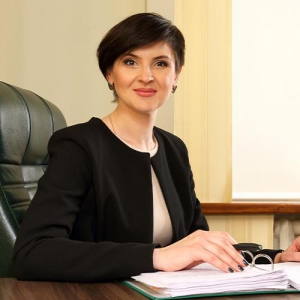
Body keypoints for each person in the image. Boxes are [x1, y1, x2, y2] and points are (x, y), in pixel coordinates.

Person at [13, 12, 300, 283]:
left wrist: (276, 257)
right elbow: (33, 254)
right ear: (109, 74)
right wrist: (158, 256)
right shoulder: (79, 145)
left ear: (176, 75)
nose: (146, 76)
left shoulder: (174, 149)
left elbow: (197, 244)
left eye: (161, 63)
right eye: (130, 62)